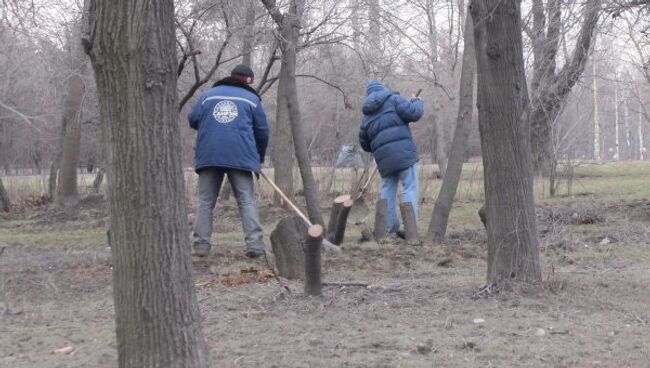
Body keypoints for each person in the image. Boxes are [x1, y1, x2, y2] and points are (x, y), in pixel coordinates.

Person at [188, 64, 269, 258]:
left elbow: (192, 119)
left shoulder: (208, 95)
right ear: (249, 80)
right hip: (240, 156)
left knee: (205, 201)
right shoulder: (252, 99)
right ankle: (255, 245)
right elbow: (262, 131)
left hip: (209, 155)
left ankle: (201, 246)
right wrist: (258, 156)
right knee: (246, 201)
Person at [358, 80, 424, 236]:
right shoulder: (394, 99)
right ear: (382, 89)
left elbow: (365, 145)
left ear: (369, 95)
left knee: (387, 191)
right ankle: (409, 226)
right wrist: (417, 101)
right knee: (409, 187)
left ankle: (388, 227)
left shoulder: (365, 118)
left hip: (384, 161)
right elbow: (414, 113)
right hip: (404, 155)